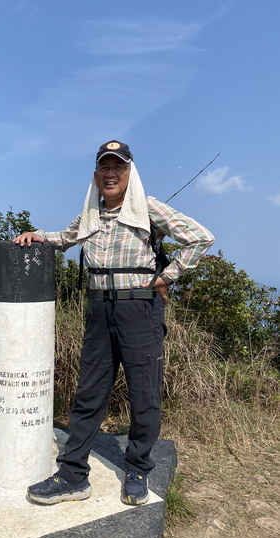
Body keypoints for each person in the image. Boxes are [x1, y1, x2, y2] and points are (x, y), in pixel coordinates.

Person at [13, 140, 214, 506]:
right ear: (95, 175)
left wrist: (167, 276)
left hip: (140, 312)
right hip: (99, 311)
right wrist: (37, 236)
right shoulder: (90, 214)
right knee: (88, 394)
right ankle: (73, 475)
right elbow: (63, 239)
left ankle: (137, 468)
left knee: (144, 395)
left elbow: (200, 238)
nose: (110, 174)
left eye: (117, 168)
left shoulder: (147, 208)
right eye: (104, 167)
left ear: (129, 173)